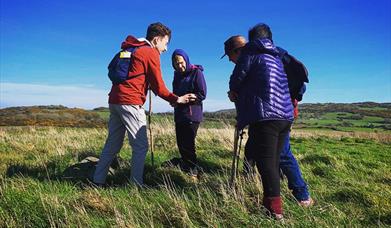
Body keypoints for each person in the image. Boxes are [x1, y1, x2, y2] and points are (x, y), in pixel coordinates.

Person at [93, 22, 196, 186]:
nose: (166, 48)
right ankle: (136, 184)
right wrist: (177, 99)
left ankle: (97, 181)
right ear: (156, 40)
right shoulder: (150, 52)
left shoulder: (131, 49)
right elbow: (159, 86)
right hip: (130, 102)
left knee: (112, 144)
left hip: (115, 101)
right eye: (165, 43)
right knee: (140, 146)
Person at [222, 34, 314, 208]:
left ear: (238, 51)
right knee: (253, 148)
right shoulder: (267, 56)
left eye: (229, 56)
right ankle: (250, 182)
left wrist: (284, 99)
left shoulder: (256, 57)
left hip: (275, 115)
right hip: (273, 114)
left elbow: (298, 85)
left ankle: (302, 196)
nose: (230, 61)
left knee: (282, 154)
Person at [225, 24, 294, 219]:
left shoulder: (251, 52)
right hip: (285, 116)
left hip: (266, 116)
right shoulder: (276, 56)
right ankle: (272, 203)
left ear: (253, 39)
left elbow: (236, 80)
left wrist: (234, 91)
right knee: (272, 160)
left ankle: (275, 211)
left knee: (267, 164)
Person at [165, 49, 207, 176]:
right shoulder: (176, 75)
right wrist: (174, 100)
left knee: (188, 144)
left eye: (181, 62)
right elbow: (176, 94)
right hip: (179, 114)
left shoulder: (196, 72)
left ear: (186, 60)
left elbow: (202, 94)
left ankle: (193, 171)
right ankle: (186, 167)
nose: (179, 66)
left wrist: (190, 97)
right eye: (176, 64)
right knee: (181, 144)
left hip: (192, 114)